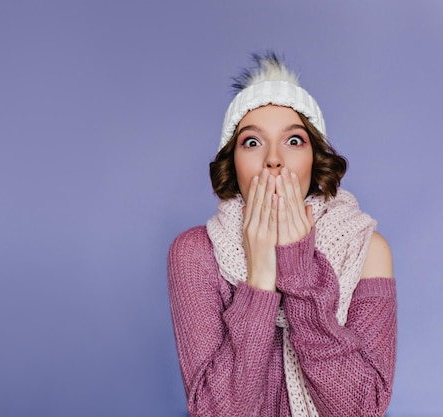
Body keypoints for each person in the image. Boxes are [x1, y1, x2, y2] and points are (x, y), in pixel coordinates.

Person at [167, 52, 396, 417]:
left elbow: (363, 409)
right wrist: (259, 281)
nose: (274, 159)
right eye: (252, 142)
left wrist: (299, 271)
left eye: (293, 141)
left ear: (315, 160)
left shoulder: (365, 249)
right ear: (231, 164)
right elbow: (214, 411)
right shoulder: (194, 252)